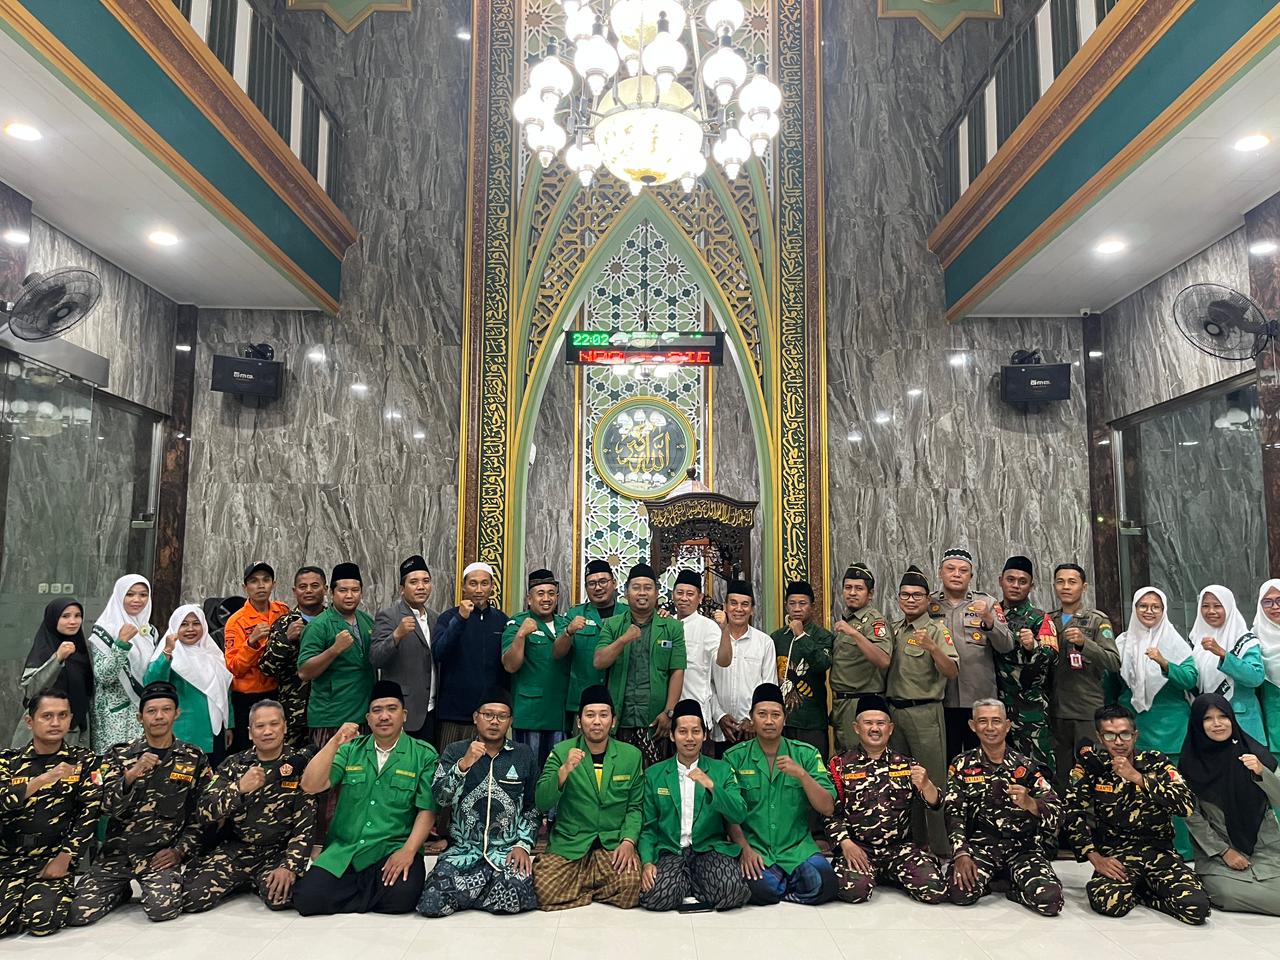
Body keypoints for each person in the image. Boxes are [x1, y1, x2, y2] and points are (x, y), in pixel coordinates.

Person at [68, 681, 213, 926]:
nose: (159, 717)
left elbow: (201, 814)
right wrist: (131, 775)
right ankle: (120, 890)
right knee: (77, 913)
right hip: (117, 855)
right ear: (140, 717)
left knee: (162, 910)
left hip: (159, 856)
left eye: (166, 710)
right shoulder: (118, 754)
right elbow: (104, 807)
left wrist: (179, 851)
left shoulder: (193, 757)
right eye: (151, 711)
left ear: (176, 714)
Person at [293, 680, 438, 916]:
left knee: (403, 898)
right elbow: (310, 785)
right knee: (306, 899)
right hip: (346, 850)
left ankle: (350, 893)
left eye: (391, 709)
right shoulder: (350, 750)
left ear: (404, 715)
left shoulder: (423, 754)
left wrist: (408, 851)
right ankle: (368, 893)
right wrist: (334, 742)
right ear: (368, 719)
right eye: (377, 710)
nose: (384, 716)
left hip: (392, 848)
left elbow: (427, 809)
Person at [1064, 703, 1209, 925]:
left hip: (1159, 851)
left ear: (1135, 735)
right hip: (1117, 853)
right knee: (1108, 903)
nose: (1119, 742)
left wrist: (1138, 778)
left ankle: (1142, 893)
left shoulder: (1157, 762)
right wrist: (1094, 857)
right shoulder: (1091, 767)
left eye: (1125, 734)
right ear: (1100, 737)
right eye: (1110, 735)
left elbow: (1186, 805)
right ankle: (1140, 888)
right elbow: (1072, 812)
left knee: (1196, 908)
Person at [181, 699, 315, 913]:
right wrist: (239, 788)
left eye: (274, 724)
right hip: (238, 848)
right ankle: (243, 880)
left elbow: (305, 824)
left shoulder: (299, 765)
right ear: (250, 733)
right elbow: (204, 810)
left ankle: (258, 881)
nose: (267, 731)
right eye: (260, 726)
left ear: (285, 727)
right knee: (191, 898)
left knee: (281, 897)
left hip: (277, 851)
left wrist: (290, 865)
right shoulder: (234, 765)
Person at [417, 688, 539, 917]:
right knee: (431, 903)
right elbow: (440, 797)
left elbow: (532, 808)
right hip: (463, 851)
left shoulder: (523, 754)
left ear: (510, 721)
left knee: (516, 896)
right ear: (476, 717)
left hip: (506, 851)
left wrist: (523, 844)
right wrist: (463, 765)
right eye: (488, 714)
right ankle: (483, 891)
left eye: (502, 716)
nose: (494, 721)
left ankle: (469, 894)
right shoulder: (455, 751)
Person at [825, 693, 947, 904]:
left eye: (881, 723)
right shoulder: (839, 766)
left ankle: (892, 874)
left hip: (899, 849)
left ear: (890, 729)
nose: (875, 728)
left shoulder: (907, 764)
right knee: (854, 891)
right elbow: (829, 814)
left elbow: (936, 804)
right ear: (856, 728)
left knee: (935, 890)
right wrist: (845, 843)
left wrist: (927, 784)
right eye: (868, 723)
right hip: (859, 847)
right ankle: (872, 875)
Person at [945, 699, 1063, 916]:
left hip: (1023, 849)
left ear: (1007, 726)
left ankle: (1013, 889)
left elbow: (1057, 812)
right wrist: (961, 853)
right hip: (982, 846)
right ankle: (993, 880)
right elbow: (954, 812)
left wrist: (1031, 804)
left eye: (996, 721)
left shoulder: (1026, 766)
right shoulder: (962, 764)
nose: (990, 728)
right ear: (972, 726)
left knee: (1050, 901)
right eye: (983, 721)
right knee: (959, 893)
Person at [533, 685, 644, 911]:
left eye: (603, 715)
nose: (597, 722)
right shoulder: (561, 751)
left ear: (613, 721)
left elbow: (635, 807)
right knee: (543, 890)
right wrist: (564, 771)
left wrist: (628, 841)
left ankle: (579, 889)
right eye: (590, 715)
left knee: (632, 886)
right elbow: (541, 802)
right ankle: (595, 890)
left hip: (611, 843)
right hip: (571, 843)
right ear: (579, 721)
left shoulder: (631, 756)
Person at [724, 683, 837, 905]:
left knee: (827, 883)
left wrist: (802, 775)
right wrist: (745, 849)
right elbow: (729, 813)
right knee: (760, 888)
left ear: (785, 719)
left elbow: (827, 807)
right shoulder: (734, 757)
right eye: (762, 714)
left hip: (797, 849)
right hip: (757, 849)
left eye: (775, 715)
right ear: (752, 718)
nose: (769, 721)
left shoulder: (805, 754)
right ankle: (789, 885)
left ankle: (783, 883)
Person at [0, 691, 100, 937]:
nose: (56, 722)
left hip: (53, 859)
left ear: (70, 719)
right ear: (30, 721)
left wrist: (65, 857)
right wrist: (44, 779)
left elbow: (90, 812)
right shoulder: (7, 762)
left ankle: (28, 907)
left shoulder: (84, 761)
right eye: (47, 716)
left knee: (43, 921)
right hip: (8, 859)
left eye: (62, 715)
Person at [638, 698, 750, 912]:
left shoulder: (721, 770)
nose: (689, 738)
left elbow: (738, 814)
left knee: (732, 890)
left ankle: (688, 884)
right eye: (682, 732)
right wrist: (647, 862)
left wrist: (711, 786)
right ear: (672, 735)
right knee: (655, 896)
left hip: (709, 849)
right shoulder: (655, 774)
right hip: (671, 850)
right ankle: (688, 883)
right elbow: (648, 829)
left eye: (696, 731)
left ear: (705, 735)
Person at [1183, 693, 1280, 915]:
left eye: (1223, 716)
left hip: (1265, 849)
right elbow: (1192, 817)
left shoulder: (1255, 755)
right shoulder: (1190, 765)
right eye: (1208, 718)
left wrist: (1261, 773)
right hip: (1218, 856)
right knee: (1226, 893)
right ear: (1197, 724)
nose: (1217, 723)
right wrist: (1225, 851)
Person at [886, 565, 958, 852]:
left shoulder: (936, 630)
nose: (911, 600)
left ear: (928, 599)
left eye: (917, 595)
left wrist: (932, 648)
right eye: (905, 595)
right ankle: (911, 844)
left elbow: (952, 671)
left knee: (932, 781)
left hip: (925, 713)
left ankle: (941, 848)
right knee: (900, 781)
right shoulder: (893, 630)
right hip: (894, 714)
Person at [594, 563, 686, 766]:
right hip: (621, 718)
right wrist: (623, 640)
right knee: (621, 774)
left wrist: (669, 712)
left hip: (656, 720)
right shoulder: (613, 625)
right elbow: (599, 661)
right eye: (636, 588)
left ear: (657, 593)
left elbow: (677, 671)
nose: (642, 593)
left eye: (648, 587)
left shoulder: (673, 627)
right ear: (626, 593)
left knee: (656, 775)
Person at [929, 548, 1012, 761]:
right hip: (941, 697)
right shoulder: (929, 604)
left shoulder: (988, 603)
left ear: (971, 576)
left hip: (979, 698)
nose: (956, 574)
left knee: (981, 760)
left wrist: (989, 620)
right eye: (951, 569)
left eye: (963, 570)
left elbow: (1006, 645)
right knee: (947, 759)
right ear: (940, 572)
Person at [1048, 563, 1119, 791]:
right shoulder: (1048, 620)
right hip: (1055, 711)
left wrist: (1084, 643)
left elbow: (1113, 662)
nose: (1065, 587)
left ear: (1084, 587)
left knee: (1089, 772)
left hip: (1086, 710)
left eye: (1072, 582)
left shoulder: (1097, 620)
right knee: (1060, 776)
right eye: (1060, 582)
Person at [1109, 588, 1197, 761]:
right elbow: (1111, 686)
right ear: (1134, 609)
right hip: (1129, 729)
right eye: (1143, 606)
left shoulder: (1175, 643)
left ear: (1163, 611)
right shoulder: (1122, 643)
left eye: (1156, 607)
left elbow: (1189, 680)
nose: (1149, 611)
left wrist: (1164, 663)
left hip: (1171, 731)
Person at [993, 556, 1058, 775]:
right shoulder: (991, 614)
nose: (1015, 585)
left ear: (1031, 586)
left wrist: (1033, 647)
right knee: (998, 772)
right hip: (994, 709)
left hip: (1029, 711)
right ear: (1001, 581)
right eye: (1010, 579)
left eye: (1022, 581)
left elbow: (1052, 656)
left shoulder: (1040, 618)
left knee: (1038, 772)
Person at [433, 561, 509, 749]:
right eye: (473, 584)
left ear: (492, 586)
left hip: (490, 716)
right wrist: (460, 619)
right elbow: (439, 652)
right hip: (454, 714)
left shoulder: (502, 620)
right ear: (464, 587)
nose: (479, 589)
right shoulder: (448, 617)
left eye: (484, 583)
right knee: (452, 764)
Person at [299, 562, 375, 745]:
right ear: (331, 593)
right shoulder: (319, 626)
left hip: (364, 716)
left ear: (362, 592)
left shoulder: (367, 621)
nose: (349, 595)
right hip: (331, 718)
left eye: (355, 590)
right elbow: (304, 672)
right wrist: (334, 650)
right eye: (343, 590)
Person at [501, 568, 571, 767]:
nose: (546, 599)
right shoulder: (517, 623)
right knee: (527, 772)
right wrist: (521, 636)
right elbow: (510, 665)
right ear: (529, 599)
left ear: (557, 598)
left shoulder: (565, 624)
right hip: (531, 714)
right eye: (540, 594)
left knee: (555, 772)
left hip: (560, 713)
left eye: (551, 593)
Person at [144, 605, 233, 759]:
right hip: (185, 732)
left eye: (196, 623)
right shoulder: (169, 655)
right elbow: (152, 683)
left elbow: (225, 691)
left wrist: (229, 725)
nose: (190, 629)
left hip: (216, 731)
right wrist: (167, 652)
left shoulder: (213, 654)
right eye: (184, 624)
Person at [222, 562, 289, 753]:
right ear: (245, 587)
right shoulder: (236, 621)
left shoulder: (282, 611)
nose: (260, 586)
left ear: (274, 584)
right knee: (248, 751)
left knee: (278, 748)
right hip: (247, 698)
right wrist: (251, 642)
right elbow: (234, 667)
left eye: (266, 580)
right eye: (254, 581)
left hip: (278, 692)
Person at [258, 566, 327, 750]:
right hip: (293, 715)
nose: (309, 591)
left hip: (328, 712)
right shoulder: (283, 624)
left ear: (326, 589)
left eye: (315, 586)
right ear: (294, 591)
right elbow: (267, 668)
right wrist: (286, 640)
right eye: (303, 587)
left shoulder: (334, 621)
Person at [88, 574, 158, 753]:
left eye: (143, 595)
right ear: (119, 596)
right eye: (130, 594)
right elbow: (104, 676)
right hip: (114, 715)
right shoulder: (105, 630)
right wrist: (121, 643)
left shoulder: (150, 631)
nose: (137, 600)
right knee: (115, 765)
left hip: (144, 712)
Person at [371, 555, 438, 742]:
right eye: (414, 582)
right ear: (402, 589)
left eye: (426, 581)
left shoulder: (436, 618)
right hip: (404, 710)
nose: (421, 587)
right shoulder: (389, 616)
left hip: (433, 711)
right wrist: (396, 635)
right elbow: (375, 658)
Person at [13, 598, 92, 748]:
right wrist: (57, 659)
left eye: (77, 616)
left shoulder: (83, 652)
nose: (73, 621)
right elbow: (31, 690)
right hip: (42, 732)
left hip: (77, 731)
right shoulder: (43, 650)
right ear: (53, 619)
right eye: (65, 616)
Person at [1190, 585, 1264, 743]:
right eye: (1205, 606)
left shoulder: (1245, 640)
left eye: (1217, 606)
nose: (1211, 611)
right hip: (1207, 722)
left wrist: (1223, 654)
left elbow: (1256, 677)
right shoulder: (1195, 640)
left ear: (1229, 607)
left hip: (1242, 722)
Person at [830, 563, 892, 753]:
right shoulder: (848, 619)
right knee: (844, 759)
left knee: (858, 759)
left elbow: (883, 660)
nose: (852, 593)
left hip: (861, 702)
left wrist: (854, 634)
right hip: (842, 703)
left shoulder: (874, 621)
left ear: (870, 594)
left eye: (859, 588)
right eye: (848, 587)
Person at [708, 580, 775, 757]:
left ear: (752, 609)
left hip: (753, 731)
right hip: (722, 730)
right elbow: (707, 684)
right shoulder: (713, 640)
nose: (739, 609)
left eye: (745, 604)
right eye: (733, 603)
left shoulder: (764, 642)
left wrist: (754, 720)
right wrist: (719, 716)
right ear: (725, 607)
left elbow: (769, 686)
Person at [771, 580, 834, 758]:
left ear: (812, 606)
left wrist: (801, 635)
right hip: (782, 722)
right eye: (792, 603)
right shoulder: (777, 638)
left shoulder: (823, 636)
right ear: (786, 606)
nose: (797, 608)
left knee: (814, 769)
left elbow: (821, 664)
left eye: (802, 603)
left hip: (812, 721)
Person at [563, 559, 626, 729]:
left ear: (614, 583)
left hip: (621, 704)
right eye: (591, 583)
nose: (598, 588)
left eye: (603, 581)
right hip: (584, 704)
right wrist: (568, 631)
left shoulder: (629, 614)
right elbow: (558, 652)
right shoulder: (575, 614)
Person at [671, 569, 730, 739]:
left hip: (696, 713)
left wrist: (725, 630)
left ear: (700, 597)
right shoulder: (666, 623)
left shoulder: (708, 627)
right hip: (668, 713)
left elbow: (723, 661)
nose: (684, 598)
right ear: (673, 595)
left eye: (690, 594)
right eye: (680, 593)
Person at [1254, 580, 1280, 752]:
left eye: (1279, 600)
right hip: (1272, 718)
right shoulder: (1252, 637)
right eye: (1267, 601)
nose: (1275, 607)